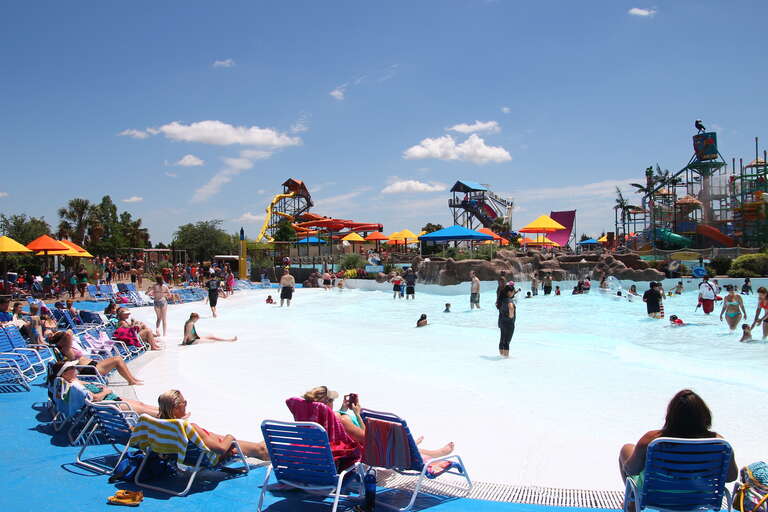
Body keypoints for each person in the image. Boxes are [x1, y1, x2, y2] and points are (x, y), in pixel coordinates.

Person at [618, 389, 737, 493]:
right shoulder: (719, 444)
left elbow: (631, 469)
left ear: (671, 416)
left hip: (656, 496)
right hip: (698, 498)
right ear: (705, 415)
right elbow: (731, 477)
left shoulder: (652, 440)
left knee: (627, 448)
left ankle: (633, 500)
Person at [302, 387, 454, 460]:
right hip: (352, 458)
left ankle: (412, 444)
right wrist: (357, 415)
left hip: (319, 459)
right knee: (391, 443)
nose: (334, 403)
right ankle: (432, 453)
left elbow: (332, 423)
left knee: (396, 442)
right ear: (327, 403)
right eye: (332, 401)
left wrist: (343, 409)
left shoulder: (308, 421)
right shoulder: (341, 420)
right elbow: (367, 438)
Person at [157, 390, 269, 459]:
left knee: (264, 443)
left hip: (199, 450)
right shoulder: (190, 428)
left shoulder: (162, 425)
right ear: (175, 408)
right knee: (261, 449)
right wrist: (229, 437)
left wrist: (180, 418)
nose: (186, 404)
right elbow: (220, 449)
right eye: (184, 403)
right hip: (220, 452)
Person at [53, 361, 158, 416]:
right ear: (64, 373)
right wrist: (105, 391)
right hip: (107, 404)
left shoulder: (73, 380)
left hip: (110, 399)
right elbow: (94, 398)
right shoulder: (75, 385)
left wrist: (100, 388)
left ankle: (169, 413)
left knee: (141, 405)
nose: (74, 367)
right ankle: (170, 420)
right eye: (71, 367)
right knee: (142, 410)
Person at [51, 330, 144, 385]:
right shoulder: (66, 349)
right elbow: (69, 333)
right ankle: (131, 380)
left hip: (91, 365)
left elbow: (68, 333)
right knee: (117, 360)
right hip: (89, 369)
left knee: (118, 359)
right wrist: (59, 335)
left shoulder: (67, 347)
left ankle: (132, 379)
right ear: (62, 341)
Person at [497, 285, 516, 358]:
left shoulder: (502, 299)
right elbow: (511, 308)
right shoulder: (509, 300)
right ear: (509, 292)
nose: (514, 293)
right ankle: (505, 358)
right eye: (513, 292)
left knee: (502, 339)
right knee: (507, 341)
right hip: (509, 323)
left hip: (502, 321)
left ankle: (501, 356)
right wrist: (511, 316)